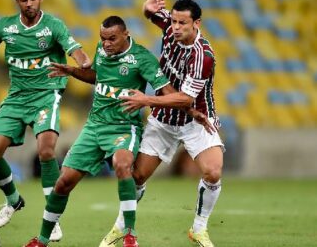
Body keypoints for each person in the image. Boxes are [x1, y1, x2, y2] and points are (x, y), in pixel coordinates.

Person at [23, 15, 211, 247]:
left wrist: (191, 111)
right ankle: (41, 239)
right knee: (63, 183)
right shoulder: (102, 51)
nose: (106, 44)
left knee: (123, 165)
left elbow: (167, 90)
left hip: (124, 127)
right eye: (103, 39)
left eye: (112, 38)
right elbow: (96, 76)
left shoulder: (142, 58)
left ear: (126, 35)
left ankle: (129, 235)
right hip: (94, 127)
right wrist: (72, 71)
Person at [0, 0, 90, 241]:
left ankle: (51, 218)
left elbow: (74, 49)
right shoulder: (5, 26)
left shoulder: (53, 25)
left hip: (47, 94)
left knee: (46, 150)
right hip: (16, 98)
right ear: (17, 1)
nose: (29, 3)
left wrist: (83, 60)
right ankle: (13, 200)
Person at [100, 0, 224, 247]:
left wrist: (146, 99)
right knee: (137, 177)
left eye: (182, 23)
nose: (175, 27)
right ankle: (119, 228)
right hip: (164, 121)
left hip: (196, 120)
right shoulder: (170, 27)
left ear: (196, 23)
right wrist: (147, 8)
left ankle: (199, 229)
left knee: (213, 171)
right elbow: (150, 13)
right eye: (174, 21)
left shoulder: (203, 56)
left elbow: (184, 100)